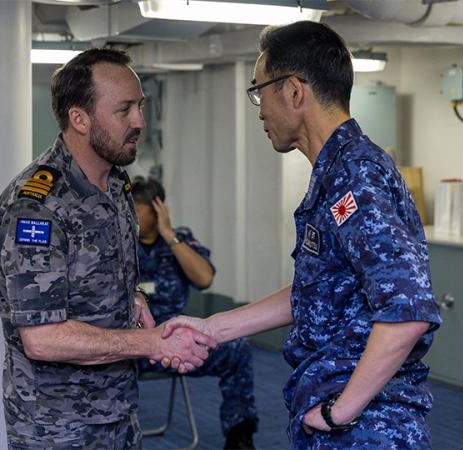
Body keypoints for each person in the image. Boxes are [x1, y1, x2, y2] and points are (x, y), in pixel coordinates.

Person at [162, 21, 442, 449]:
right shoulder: (333, 173)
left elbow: (407, 309)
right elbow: (316, 291)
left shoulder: (356, 173)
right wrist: (212, 328)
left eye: (260, 91)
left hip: (367, 426)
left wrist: (340, 410)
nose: (258, 109)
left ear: (294, 91)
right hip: (336, 413)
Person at [0, 48, 216, 449]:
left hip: (118, 409)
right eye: (124, 110)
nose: (140, 122)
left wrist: (134, 296)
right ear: (79, 118)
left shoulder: (116, 184)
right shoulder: (36, 206)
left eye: (140, 107)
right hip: (57, 425)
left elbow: (105, 270)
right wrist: (151, 342)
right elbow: (43, 338)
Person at [131, 177, 259, 449]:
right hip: (133, 345)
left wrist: (169, 235)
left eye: (137, 207)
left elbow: (204, 279)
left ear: (157, 210)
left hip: (177, 342)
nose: (130, 213)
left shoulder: (180, 240)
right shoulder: (120, 244)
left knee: (237, 349)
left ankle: (240, 434)